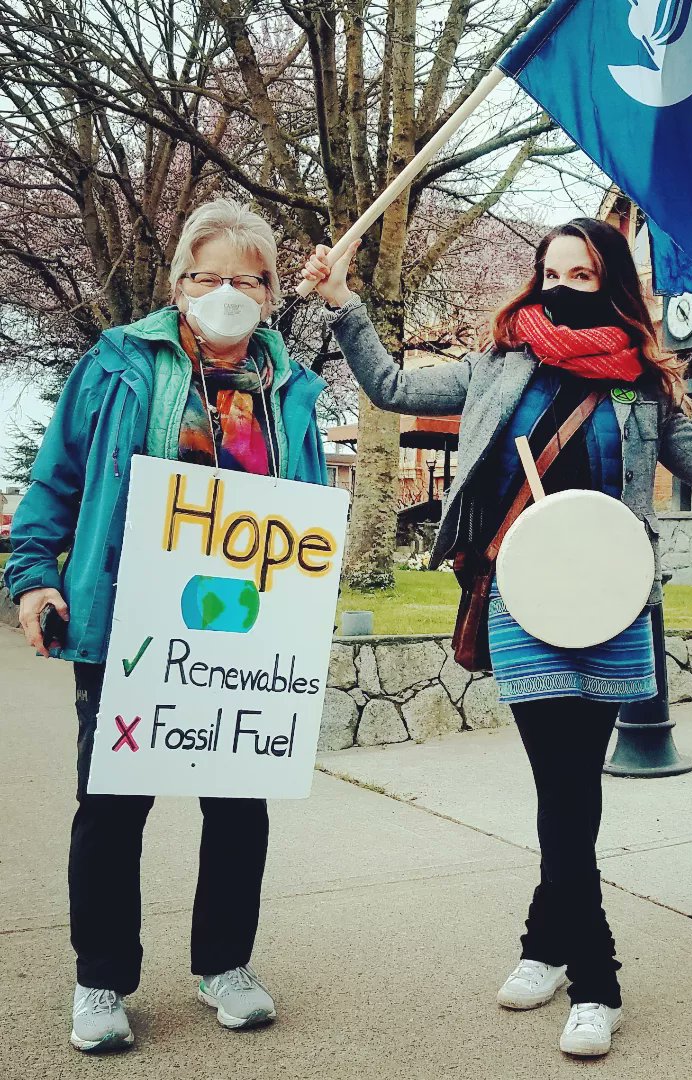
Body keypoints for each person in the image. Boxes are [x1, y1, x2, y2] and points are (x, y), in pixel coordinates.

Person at [302, 217, 692, 1058]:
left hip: (612, 602)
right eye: (551, 269)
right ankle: (598, 979)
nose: (562, 284)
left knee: (571, 793)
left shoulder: (642, 385)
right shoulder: (499, 364)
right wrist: (344, 304)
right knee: (561, 788)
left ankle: (545, 942)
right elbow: (387, 387)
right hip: (520, 596)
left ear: (613, 286)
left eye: (583, 274)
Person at [5, 198, 331, 1052]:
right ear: (180, 282)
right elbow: (55, 485)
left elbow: (305, 517)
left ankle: (224, 965)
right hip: (129, 626)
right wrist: (35, 581)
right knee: (111, 806)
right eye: (209, 275)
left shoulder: (294, 391)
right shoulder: (117, 365)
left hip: (243, 634)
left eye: (246, 279)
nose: (227, 292)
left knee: (239, 806)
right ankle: (101, 980)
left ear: (269, 293)